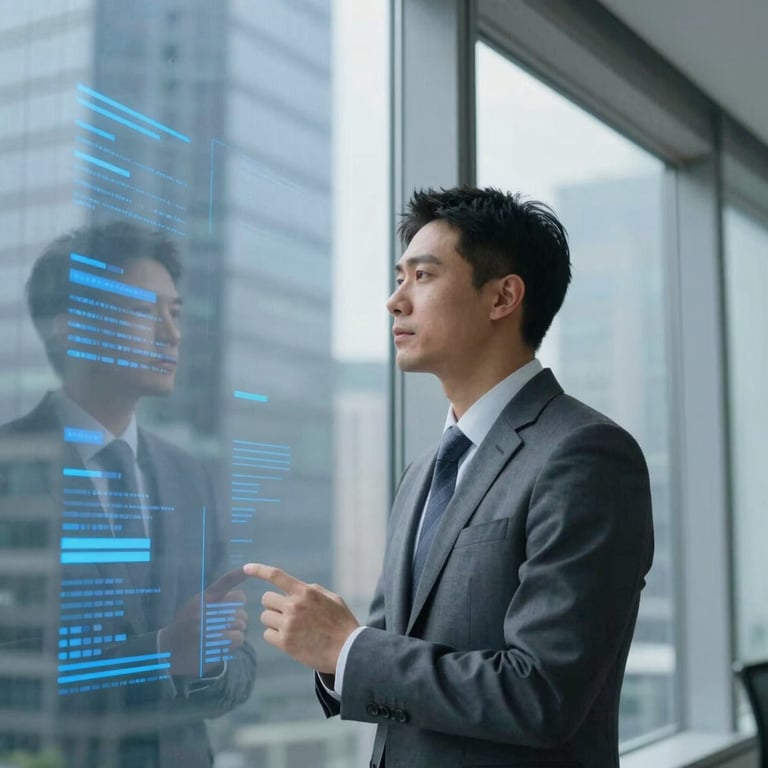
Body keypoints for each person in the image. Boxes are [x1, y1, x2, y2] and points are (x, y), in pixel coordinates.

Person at [245, 186, 654, 767]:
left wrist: (349, 647)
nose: (394, 300)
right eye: (398, 276)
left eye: (423, 276)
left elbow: (542, 694)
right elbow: (392, 655)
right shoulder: (424, 471)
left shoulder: (586, 454)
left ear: (502, 297)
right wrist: (335, 657)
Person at [0, 221, 256, 768]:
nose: (171, 333)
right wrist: (161, 654)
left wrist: (208, 661)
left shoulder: (189, 477)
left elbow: (238, 664)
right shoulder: (9, 466)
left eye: (176, 312)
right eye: (145, 311)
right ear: (68, 328)